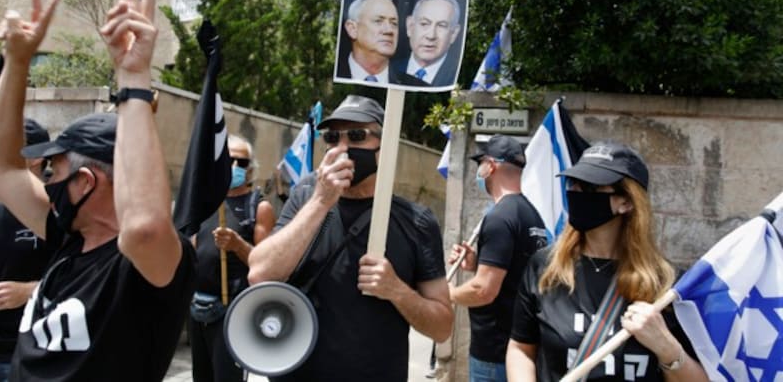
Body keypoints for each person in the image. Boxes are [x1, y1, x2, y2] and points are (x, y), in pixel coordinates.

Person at [0, 0, 196, 381]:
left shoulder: (147, 262)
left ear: (86, 181)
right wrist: (17, 61)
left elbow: (146, 227)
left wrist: (133, 77)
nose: (46, 180)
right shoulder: (67, 238)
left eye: (54, 168)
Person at [248, 94, 453, 382]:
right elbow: (259, 273)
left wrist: (397, 290)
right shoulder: (307, 196)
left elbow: (442, 326)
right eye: (333, 137)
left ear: (385, 147)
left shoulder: (416, 221)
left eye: (357, 136)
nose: (343, 148)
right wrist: (321, 201)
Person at [506, 142, 708, 382]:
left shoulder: (668, 286)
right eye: (574, 184)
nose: (578, 193)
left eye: (590, 187)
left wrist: (666, 347)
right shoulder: (546, 268)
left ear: (627, 202)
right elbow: (521, 348)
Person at [448, 134, 547, 382]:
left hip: (494, 352)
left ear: (491, 165)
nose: (478, 171)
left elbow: (484, 291)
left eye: (480, 163)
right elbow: (515, 275)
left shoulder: (500, 217)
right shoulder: (532, 215)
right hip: (520, 348)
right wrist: (476, 265)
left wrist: (445, 293)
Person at [189, 134, 275, 382]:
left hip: (232, 309)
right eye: (229, 160)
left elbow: (266, 266)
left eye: (242, 162)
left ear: (250, 169)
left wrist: (237, 245)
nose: (235, 167)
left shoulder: (258, 207)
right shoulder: (206, 203)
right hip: (198, 307)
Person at [0, 119, 52, 381]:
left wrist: (30, 291)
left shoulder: (60, 214)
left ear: (35, 158)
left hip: (30, 354)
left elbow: (86, 278)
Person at [393, 0, 462, 88]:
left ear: (454, 33)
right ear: (410, 26)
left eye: (441, 25)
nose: (431, 36)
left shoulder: (460, 77)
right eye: (424, 24)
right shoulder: (389, 70)